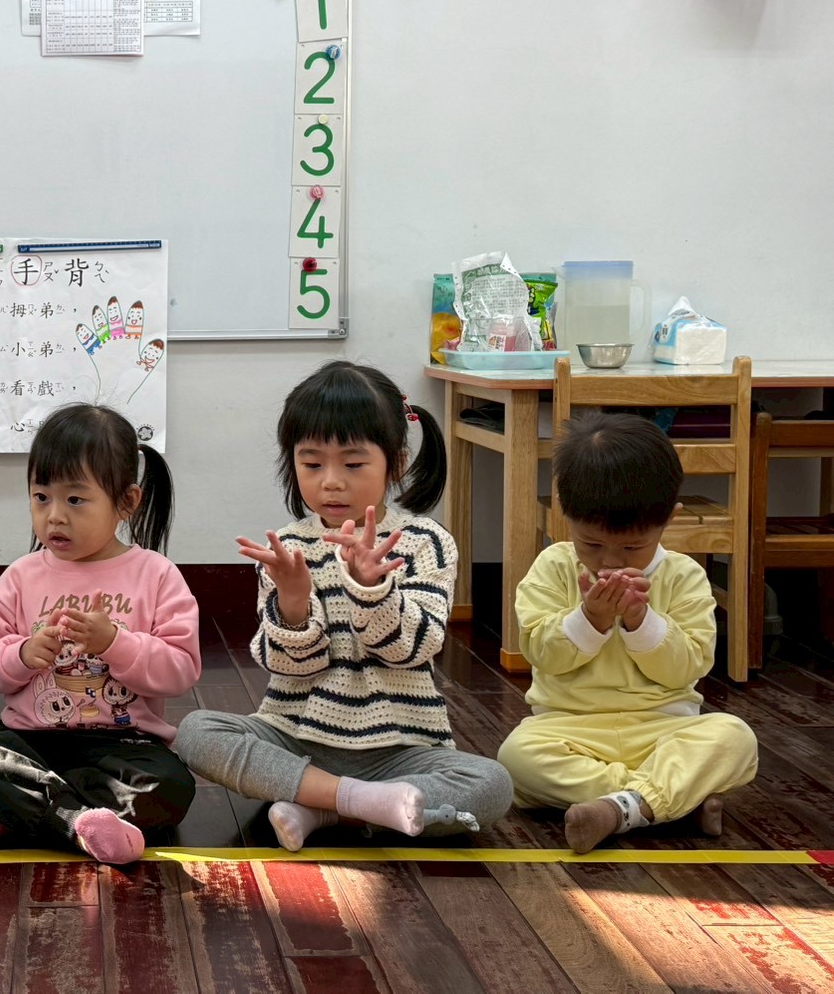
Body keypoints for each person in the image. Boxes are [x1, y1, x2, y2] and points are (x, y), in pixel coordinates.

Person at [174, 361, 513, 851]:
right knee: (196, 731)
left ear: (396, 462)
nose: (331, 481)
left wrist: (371, 590)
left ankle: (322, 808)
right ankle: (359, 805)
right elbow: (290, 666)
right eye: (312, 464)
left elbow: (414, 649)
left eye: (353, 465)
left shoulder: (425, 541)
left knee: (491, 785)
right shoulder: (288, 548)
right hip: (296, 738)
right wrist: (292, 603)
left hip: (400, 749)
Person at [0, 404, 201, 865]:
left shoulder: (156, 574)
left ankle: (21, 811)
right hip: (32, 742)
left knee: (170, 788)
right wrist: (23, 654)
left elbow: (181, 671)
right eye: (41, 497)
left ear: (127, 502)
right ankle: (78, 821)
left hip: (124, 747)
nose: (55, 516)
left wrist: (115, 644)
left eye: (75, 500)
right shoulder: (21, 576)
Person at [497, 411, 758, 853]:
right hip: (569, 727)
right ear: (564, 511)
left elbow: (688, 668)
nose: (611, 561)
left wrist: (642, 621)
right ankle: (661, 802)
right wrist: (590, 620)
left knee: (735, 737)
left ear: (669, 519)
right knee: (516, 757)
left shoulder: (684, 576)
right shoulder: (553, 567)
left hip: (663, 730)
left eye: (633, 547)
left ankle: (619, 807)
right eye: (592, 544)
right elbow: (543, 654)